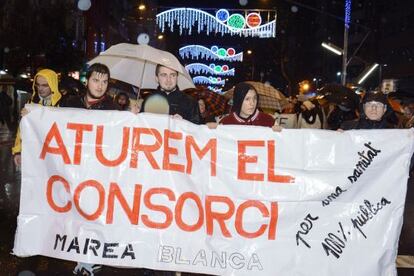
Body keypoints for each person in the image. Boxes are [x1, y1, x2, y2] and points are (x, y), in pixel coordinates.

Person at [60, 63, 117, 276]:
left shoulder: (113, 109)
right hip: (72, 170)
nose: (100, 86)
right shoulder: (70, 103)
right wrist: (33, 113)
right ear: (86, 81)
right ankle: (80, 256)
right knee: (74, 214)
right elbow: (49, 121)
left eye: (104, 81)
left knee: (93, 213)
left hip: (98, 172)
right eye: (96, 80)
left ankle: (89, 260)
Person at [12, 69, 62, 166]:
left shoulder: (64, 103)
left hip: (56, 157)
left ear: (53, 84)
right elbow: (22, 130)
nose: (40, 88)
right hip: (35, 155)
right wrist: (18, 151)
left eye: (45, 85)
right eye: (38, 85)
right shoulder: (31, 103)